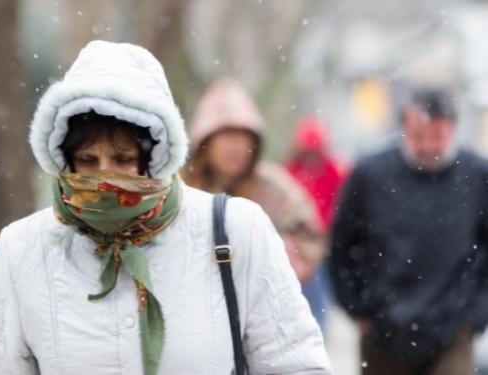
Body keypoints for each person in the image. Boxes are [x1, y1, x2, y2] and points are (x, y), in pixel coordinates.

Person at [0, 41, 331, 374]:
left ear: (153, 158)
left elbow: (295, 362)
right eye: (87, 160)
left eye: (123, 159)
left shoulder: (235, 230)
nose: (105, 179)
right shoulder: (24, 249)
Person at [330, 87, 488, 374]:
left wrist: (476, 315)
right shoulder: (370, 174)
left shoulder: (478, 175)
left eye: (436, 136)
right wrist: (357, 308)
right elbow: (340, 245)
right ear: (404, 129)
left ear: (452, 129)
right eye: (418, 136)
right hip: (383, 330)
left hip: (452, 331)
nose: (427, 146)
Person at [182, 78, 326, 291]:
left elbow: (309, 238)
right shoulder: (183, 190)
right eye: (227, 136)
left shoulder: (275, 188)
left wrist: (268, 263)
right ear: (206, 142)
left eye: (243, 137)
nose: (236, 146)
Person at [285, 115, 348, 331]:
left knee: (319, 295)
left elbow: (341, 205)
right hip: (295, 246)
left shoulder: (334, 171)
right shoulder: (290, 171)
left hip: (323, 246)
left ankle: (317, 335)